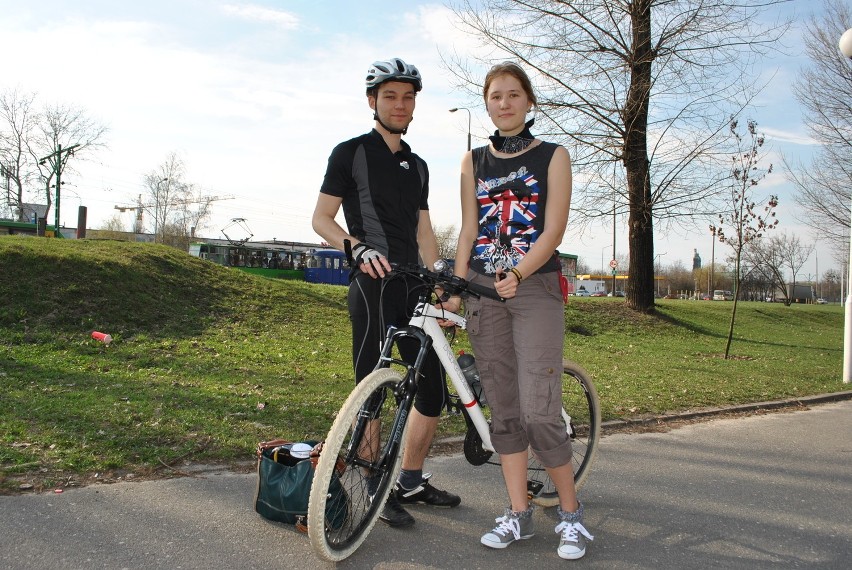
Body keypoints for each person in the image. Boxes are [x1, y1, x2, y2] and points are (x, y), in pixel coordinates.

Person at [442, 62, 594, 559]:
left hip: (536, 286)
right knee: (503, 409)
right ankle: (518, 512)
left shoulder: (554, 156)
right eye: (494, 96)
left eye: (513, 95)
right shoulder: (472, 161)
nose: (503, 103)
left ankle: (570, 517)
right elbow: (468, 230)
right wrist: (458, 287)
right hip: (486, 289)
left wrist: (520, 273)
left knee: (539, 408)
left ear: (529, 101)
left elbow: (553, 230)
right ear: (486, 103)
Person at [311, 57, 461, 528]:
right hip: (374, 284)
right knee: (373, 390)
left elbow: (425, 231)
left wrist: (439, 275)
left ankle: (409, 480)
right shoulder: (350, 152)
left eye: (408, 96)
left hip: (416, 287)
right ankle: (372, 480)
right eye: (390, 96)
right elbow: (321, 219)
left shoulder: (418, 166)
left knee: (432, 391)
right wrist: (354, 249)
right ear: (373, 101)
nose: (400, 104)